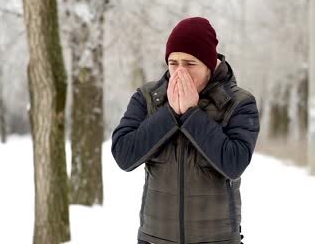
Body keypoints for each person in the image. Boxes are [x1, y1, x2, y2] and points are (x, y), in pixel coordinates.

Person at [111, 17, 260, 244]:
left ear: (209, 64)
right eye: (173, 63)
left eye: (190, 64)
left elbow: (235, 163)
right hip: (154, 238)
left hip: (216, 239)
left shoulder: (239, 103)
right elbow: (124, 154)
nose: (180, 72)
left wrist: (191, 114)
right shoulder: (148, 98)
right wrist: (169, 113)